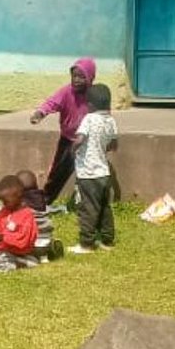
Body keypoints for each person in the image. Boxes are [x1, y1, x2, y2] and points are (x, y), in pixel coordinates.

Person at [29, 58, 95, 204]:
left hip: (88, 141)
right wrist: (40, 113)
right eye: (74, 76)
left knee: (88, 173)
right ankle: (46, 200)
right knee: (58, 172)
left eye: (82, 77)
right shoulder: (66, 92)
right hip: (68, 140)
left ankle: (87, 202)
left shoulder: (93, 95)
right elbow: (51, 103)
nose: (76, 80)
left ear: (90, 78)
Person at [68, 83, 118, 255]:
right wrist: (101, 148)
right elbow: (114, 145)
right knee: (104, 208)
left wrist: (73, 150)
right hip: (103, 172)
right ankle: (107, 240)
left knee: (88, 209)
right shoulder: (111, 120)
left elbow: (80, 139)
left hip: (88, 173)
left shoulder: (89, 119)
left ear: (90, 105)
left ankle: (86, 243)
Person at [0, 175, 38, 272]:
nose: (4, 204)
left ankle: (17, 263)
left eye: (6, 201)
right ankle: (16, 262)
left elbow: (23, 239)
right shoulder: (4, 212)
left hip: (20, 252)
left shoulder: (27, 215)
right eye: (2, 201)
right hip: (4, 251)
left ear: (19, 195)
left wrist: (2, 237)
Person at [17, 170, 62, 262]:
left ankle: (31, 256)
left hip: (30, 244)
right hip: (46, 239)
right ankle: (45, 255)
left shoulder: (19, 203)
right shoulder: (40, 199)